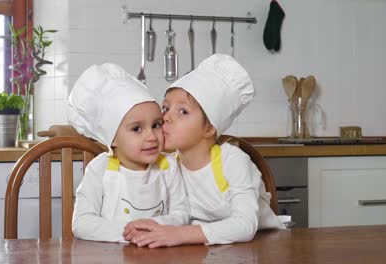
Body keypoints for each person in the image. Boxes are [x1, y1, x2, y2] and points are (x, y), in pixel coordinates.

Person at [123, 54, 285, 247]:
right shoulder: (168, 165)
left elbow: (245, 225)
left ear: (209, 128)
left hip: (263, 246)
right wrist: (152, 225)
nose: (165, 117)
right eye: (165, 108)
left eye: (183, 111)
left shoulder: (233, 161)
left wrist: (178, 235)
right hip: (205, 250)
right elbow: (175, 217)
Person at [67, 63, 189, 242]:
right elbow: (82, 223)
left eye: (156, 125)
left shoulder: (169, 166)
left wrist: (153, 228)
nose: (151, 137)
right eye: (137, 129)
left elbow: (182, 213)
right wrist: (131, 233)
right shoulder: (99, 169)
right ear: (113, 139)